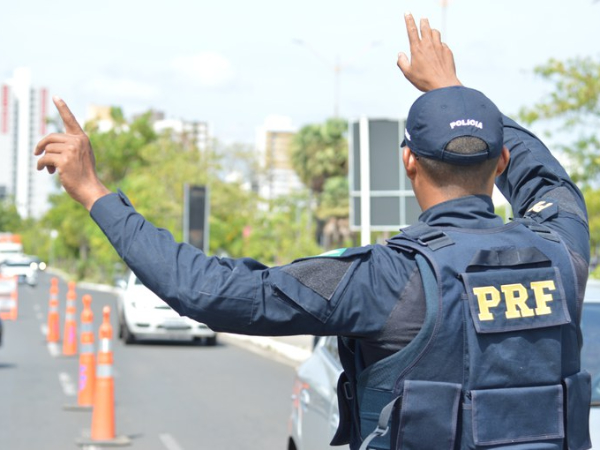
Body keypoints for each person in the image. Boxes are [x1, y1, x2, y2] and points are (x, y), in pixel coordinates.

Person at [35, 13, 591, 450]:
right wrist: (453, 91)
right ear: (500, 162)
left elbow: (206, 290)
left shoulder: (388, 279)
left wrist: (94, 192)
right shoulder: (563, 251)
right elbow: (545, 177)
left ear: (408, 162)